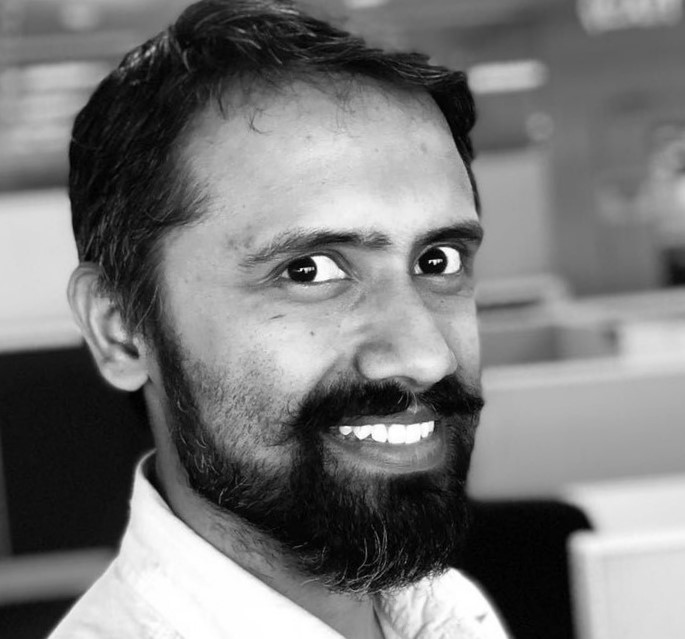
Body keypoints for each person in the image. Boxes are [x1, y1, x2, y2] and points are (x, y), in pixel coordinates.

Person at [51, 0, 508, 637]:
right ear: (120, 329)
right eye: (309, 270)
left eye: (438, 260)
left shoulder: (447, 612)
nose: (427, 356)